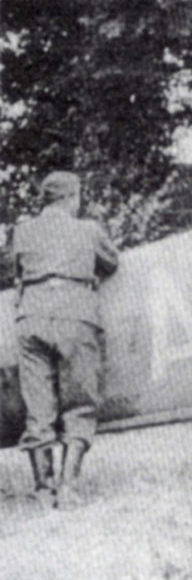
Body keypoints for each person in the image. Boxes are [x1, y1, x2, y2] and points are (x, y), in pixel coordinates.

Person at [12, 171, 119, 506]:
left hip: (32, 317)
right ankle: (68, 487)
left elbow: (14, 269)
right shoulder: (87, 230)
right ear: (72, 197)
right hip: (76, 315)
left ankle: (43, 490)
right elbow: (112, 262)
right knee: (80, 404)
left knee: (38, 406)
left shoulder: (23, 231)